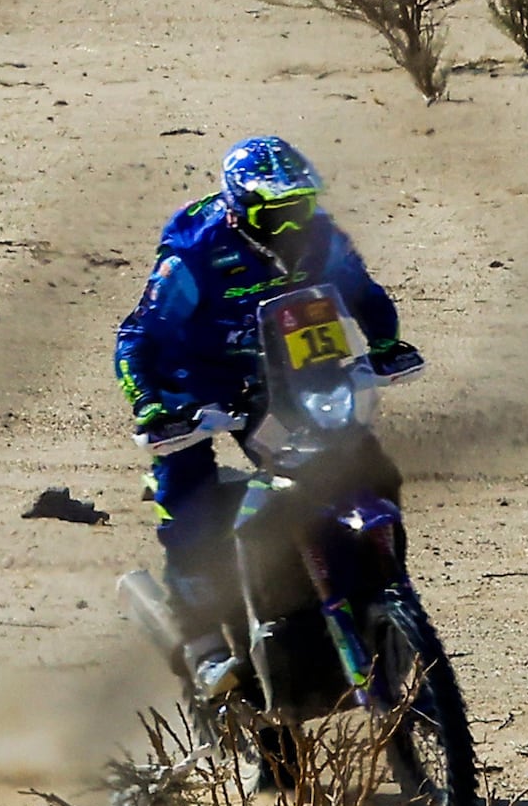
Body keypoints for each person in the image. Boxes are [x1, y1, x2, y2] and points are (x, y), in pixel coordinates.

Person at [113, 135, 419, 605]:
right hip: (197, 382)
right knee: (188, 496)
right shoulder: (195, 256)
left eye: (301, 207)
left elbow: (362, 291)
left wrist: (384, 343)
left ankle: (381, 584)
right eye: (276, 214)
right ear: (241, 211)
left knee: (366, 465)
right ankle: (198, 628)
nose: (293, 223)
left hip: (288, 371)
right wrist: (150, 405)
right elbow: (138, 337)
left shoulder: (323, 238)